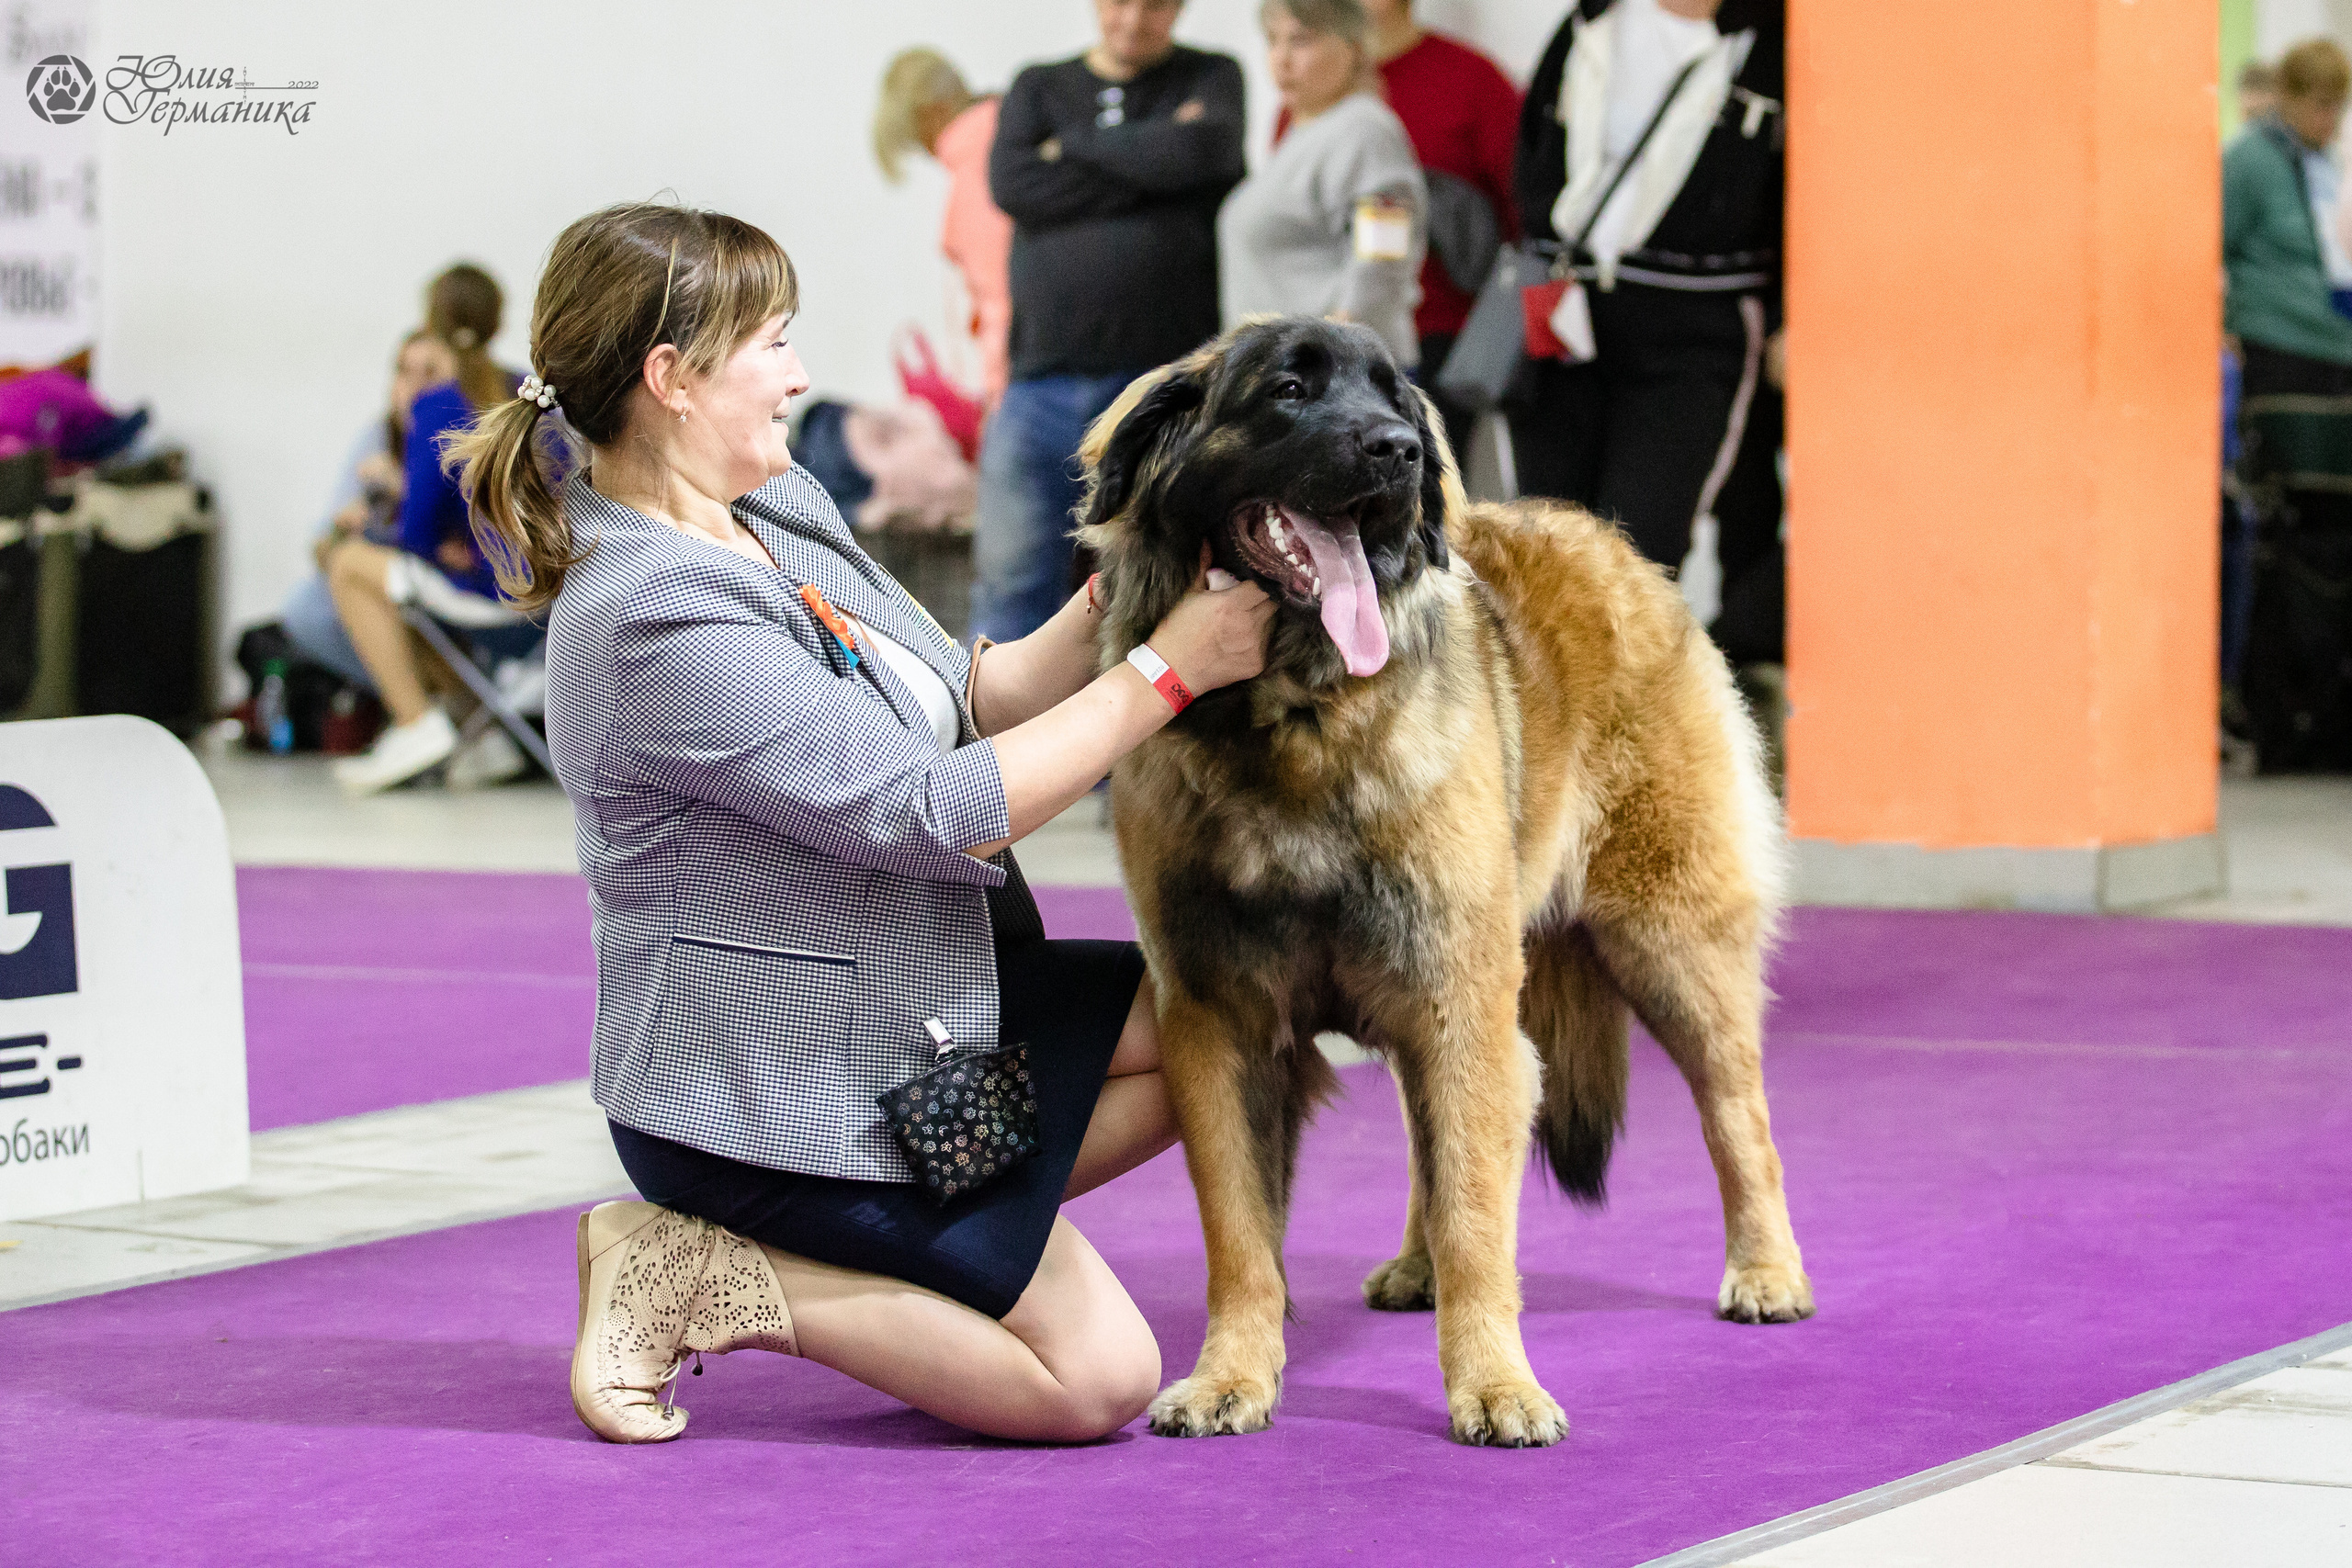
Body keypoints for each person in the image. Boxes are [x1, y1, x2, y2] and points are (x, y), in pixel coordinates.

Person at [447, 202, 1275, 1445]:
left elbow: (964, 702)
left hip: (910, 1021)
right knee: (1094, 1380)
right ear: (672, 379)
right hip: (778, 1101)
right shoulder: (645, 613)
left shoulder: (775, 504)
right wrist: (1169, 672)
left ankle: (947, 1227)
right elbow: (935, 814)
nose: (800, 375)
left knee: (1227, 1028)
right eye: (772, 343)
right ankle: (710, 1270)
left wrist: (1128, 599)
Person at [978, 0, 1245, 644]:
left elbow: (1207, 153)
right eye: (1120, 2)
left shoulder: (1211, 76)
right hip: (1041, 382)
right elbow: (1014, 184)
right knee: (1013, 579)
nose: (1133, 20)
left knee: (1171, 572)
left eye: (1154, 6)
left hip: (1167, 389)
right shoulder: (1038, 85)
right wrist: (1155, 160)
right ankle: (986, 706)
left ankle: (1149, 705)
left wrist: (1070, 147)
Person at [1509, 0, 1785, 578]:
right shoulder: (1594, 19)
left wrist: (1787, 316)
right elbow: (1534, 149)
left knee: (1641, 556)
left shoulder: (1768, 40)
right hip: (1566, 319)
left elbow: (1807, 193)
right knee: (1543, 551)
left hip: (1693, 326)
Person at [327, 264, 535, 795]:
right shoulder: (528, 392)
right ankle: (484, 736)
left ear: (431, 323)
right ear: (498, 322)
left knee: (351, 565)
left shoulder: (437, 404)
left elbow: (416, 532)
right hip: (548, 586)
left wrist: (388, 532)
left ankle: (415, 723)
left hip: (491, 591)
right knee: (406, 592)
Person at [1219, 0, 1427, 367]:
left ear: (1353, 47)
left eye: (1301, 41)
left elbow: (1385, 256)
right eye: (1273, 40)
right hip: (1299, 375)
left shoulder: (1363, 129)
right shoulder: (1304, 130)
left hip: (1342, 377)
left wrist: (1334, 357)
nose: (1281, 59)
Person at [1359, 0, 1522, 458]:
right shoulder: (1314, 89)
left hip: (1442, 335)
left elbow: (1524, 210)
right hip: (1335, 337)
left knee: (1426, 488)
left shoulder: (1472, 79)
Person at [278, 330, 457, 691]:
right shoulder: (378, 437)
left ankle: (430, 706)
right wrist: (346, 526)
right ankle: (422, 700)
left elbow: (465, 546)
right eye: (404, 372)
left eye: (429, 373)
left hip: (446, 588)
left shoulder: (465, 435)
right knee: (309, 605)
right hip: (393, 587)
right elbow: (322, 545)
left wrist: (403, 489)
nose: (413, 387)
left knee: (355, 571)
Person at [874, 49, 1016, 411]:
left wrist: (999, 397)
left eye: (917, 140)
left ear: (931, 113)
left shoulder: (977, 170)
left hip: (1027, 378)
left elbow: (1001, 298)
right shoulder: (1014, 128)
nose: (928, 152)